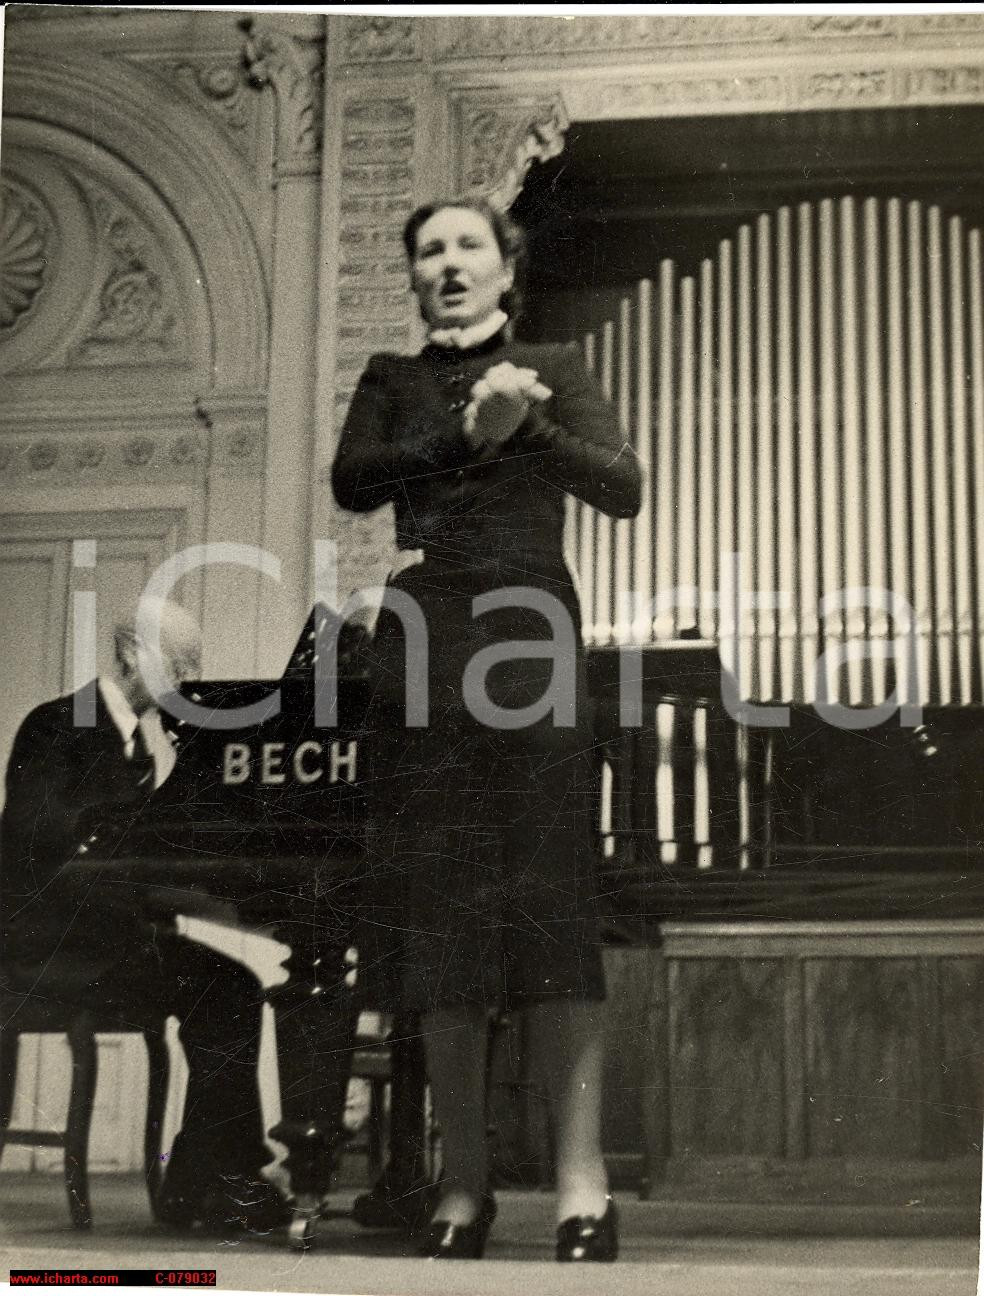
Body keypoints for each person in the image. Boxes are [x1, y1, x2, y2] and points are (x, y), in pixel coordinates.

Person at [332, 197, 642, 1260]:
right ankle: (462, 1183)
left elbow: (624, 487)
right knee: (443, 911)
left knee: (551, 903)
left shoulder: (555, 364)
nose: (449, 265)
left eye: (469, 246)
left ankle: (581, 1185)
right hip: (426, 631)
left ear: (506, 269)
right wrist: (468, 434)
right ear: (415, 278)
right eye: (430, 251)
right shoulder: (391, 377)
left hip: (530, 624)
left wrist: (529, 426)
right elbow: (354, 481)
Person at [0, 597, 290, 1236]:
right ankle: (213, 1182)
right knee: (226, 989)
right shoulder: (57, 724)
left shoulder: (137, 744)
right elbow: (39, 842)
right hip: (53, 948)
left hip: (103, 940)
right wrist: (146, 880)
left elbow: (121, 852)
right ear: (132, 654)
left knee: (230, 986)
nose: (189, 679)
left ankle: (209, 1178)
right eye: (180, 663)